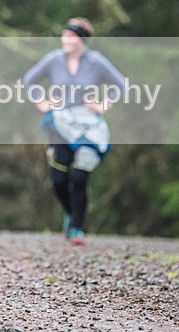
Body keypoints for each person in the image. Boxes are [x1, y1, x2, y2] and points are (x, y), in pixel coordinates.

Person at [22, 17, 125, 245]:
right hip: (60, 124)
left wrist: (104, 105)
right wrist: (42, 102)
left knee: (79, 176)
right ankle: (71, 215)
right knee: (59, 180)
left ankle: (76, 228)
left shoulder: (96, 61)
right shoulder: (54, 59)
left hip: (88, 126)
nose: (65, 39)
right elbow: (29, 80)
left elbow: (121, 85)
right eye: (64, 35)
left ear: (82, 39)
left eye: (71, 36)